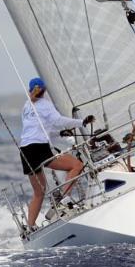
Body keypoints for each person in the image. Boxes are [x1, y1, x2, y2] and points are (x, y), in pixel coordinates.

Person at [19, 77, 91, 229]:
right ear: (44, 90)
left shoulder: (26, 105)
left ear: (30, 90)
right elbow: (58, 120)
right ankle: (64, 200)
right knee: (76, 165)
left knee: (39, 192)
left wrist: (59, 134)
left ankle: (29, 227)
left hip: (25, 150)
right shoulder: (45, 104)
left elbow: (40, 129)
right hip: (38, 148)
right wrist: (81, 122)